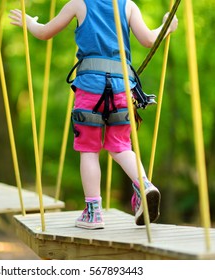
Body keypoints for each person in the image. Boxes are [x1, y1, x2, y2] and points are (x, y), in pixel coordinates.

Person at [9, 0, 178, 229]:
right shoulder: (127, 6)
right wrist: (166, 27)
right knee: (121, 146)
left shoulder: (78, 3)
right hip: (121, 88)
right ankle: (145, 184)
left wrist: (29, 22)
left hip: (90, 87)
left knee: (88, 149)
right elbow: (149, 39)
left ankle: (93, 213)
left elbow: (44, 32)